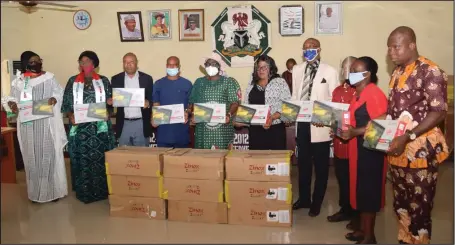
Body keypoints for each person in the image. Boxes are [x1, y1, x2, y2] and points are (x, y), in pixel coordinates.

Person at [386, 26, 449, 244]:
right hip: (398, 150)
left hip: (420, 151)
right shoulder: (397, 72)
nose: (391, 52)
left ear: (411, 45)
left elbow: (439, 112)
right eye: (389, 48)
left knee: (419, 207)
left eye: (396, 47)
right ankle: (405, 240)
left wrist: (409, 136)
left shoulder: (429, 71)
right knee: (401, 204)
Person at [2, 51, 68, 203]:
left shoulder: (49, 77)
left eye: (38, 60)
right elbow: (10, 99)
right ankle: (35, 192)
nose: (37, 63)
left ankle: (52, 191)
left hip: (46, 124)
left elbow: (59, 92)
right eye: (32, 61)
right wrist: (11, 104)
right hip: (28, 126)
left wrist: (54, 98)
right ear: (25, 63)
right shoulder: (18, 82)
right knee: (31, 158)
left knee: (48, 155)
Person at [340, 56, 388, 244]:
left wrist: (355, 131)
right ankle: (362, 229)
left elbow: (382, 123)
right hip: (358, 149)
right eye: (350, 70)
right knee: (360, 190)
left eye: (355, 70)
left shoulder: (374, 93)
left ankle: (369, 236)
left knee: (368, 192)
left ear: (367, 74)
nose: (350, 74)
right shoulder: (357, 93)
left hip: (371, 151)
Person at [291, 38, 338, 216]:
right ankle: (304, 199)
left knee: (321, 167)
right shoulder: (297, 70)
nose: (308, 50)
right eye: (305, 48)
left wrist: (327, 120)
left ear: (319, 50)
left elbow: (334, 100)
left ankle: (317, 202)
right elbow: (296, 95)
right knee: (302, 165)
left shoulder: (330, 71)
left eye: (312, 47)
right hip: (302, 122)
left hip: (320, 125)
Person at [61, 51, 115, 204]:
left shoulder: (104, 81)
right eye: (81, 61)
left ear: (94, 64)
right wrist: (71, 115)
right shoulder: (73, 81)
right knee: (82, 159)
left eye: (87, 61)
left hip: (100, 130)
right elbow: (66, 103)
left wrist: (108, 111)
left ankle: (102, 191)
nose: (84, 64)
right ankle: (84, 192)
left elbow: (111, 104)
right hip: (81, 130)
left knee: (100, 159)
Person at [327, 56, 358, 224]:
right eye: (344, 67)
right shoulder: (337, 91)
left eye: (350, 67)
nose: (346, 71)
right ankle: (345, 209)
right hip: (339, 144)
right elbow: (333, 114)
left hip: (353, 144)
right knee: (342, 178)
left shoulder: (359, 91)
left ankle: (357, 213)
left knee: (355, 179)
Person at [189, 52, 241, 149]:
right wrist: (192, 114)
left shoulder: (228, 82)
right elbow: (192, 102)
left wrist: (229, 115)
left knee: (222, 161)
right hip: (202, 131)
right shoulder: (199, 82)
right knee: (202, 161)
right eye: (208, 64)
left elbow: (235, 102)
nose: (210, 66)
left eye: (213, 64)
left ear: (219, 67)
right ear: (204, 67)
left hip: (222, 131)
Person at [240, 55, 291, 150]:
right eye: (259, 67)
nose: (261, 70)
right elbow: (246, 105)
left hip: (275, 129)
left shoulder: (280, 82)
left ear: (271, 68)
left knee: (276, 162)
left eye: (264, 67)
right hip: (255, 131)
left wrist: (271, 118)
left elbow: (287, 105)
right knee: (257, 163)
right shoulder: (251, 84)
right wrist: (240, 119)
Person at [111, 53, 153, 147]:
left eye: (131, 62)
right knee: (124, 157)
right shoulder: (116, 79)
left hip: (141, 123)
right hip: (123, 123)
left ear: (136, 63)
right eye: (125, 62)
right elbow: (113, 99)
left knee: (142, 156)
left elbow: (152, 99)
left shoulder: (147, 78)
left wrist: (148, 103)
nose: (128, 64)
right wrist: (111, 101)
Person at [152, 56, 192, 148]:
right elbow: (155, 104)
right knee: (163, 161)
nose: (172, 67)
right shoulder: (158, 84)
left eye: (174, 65)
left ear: (179, 67)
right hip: (164, 133)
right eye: (170, 65)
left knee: (181, 162)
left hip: (181, 132)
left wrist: (187, 112)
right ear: (166, 66)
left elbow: (191, 105)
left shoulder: (187, 84)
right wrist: (153, 118)